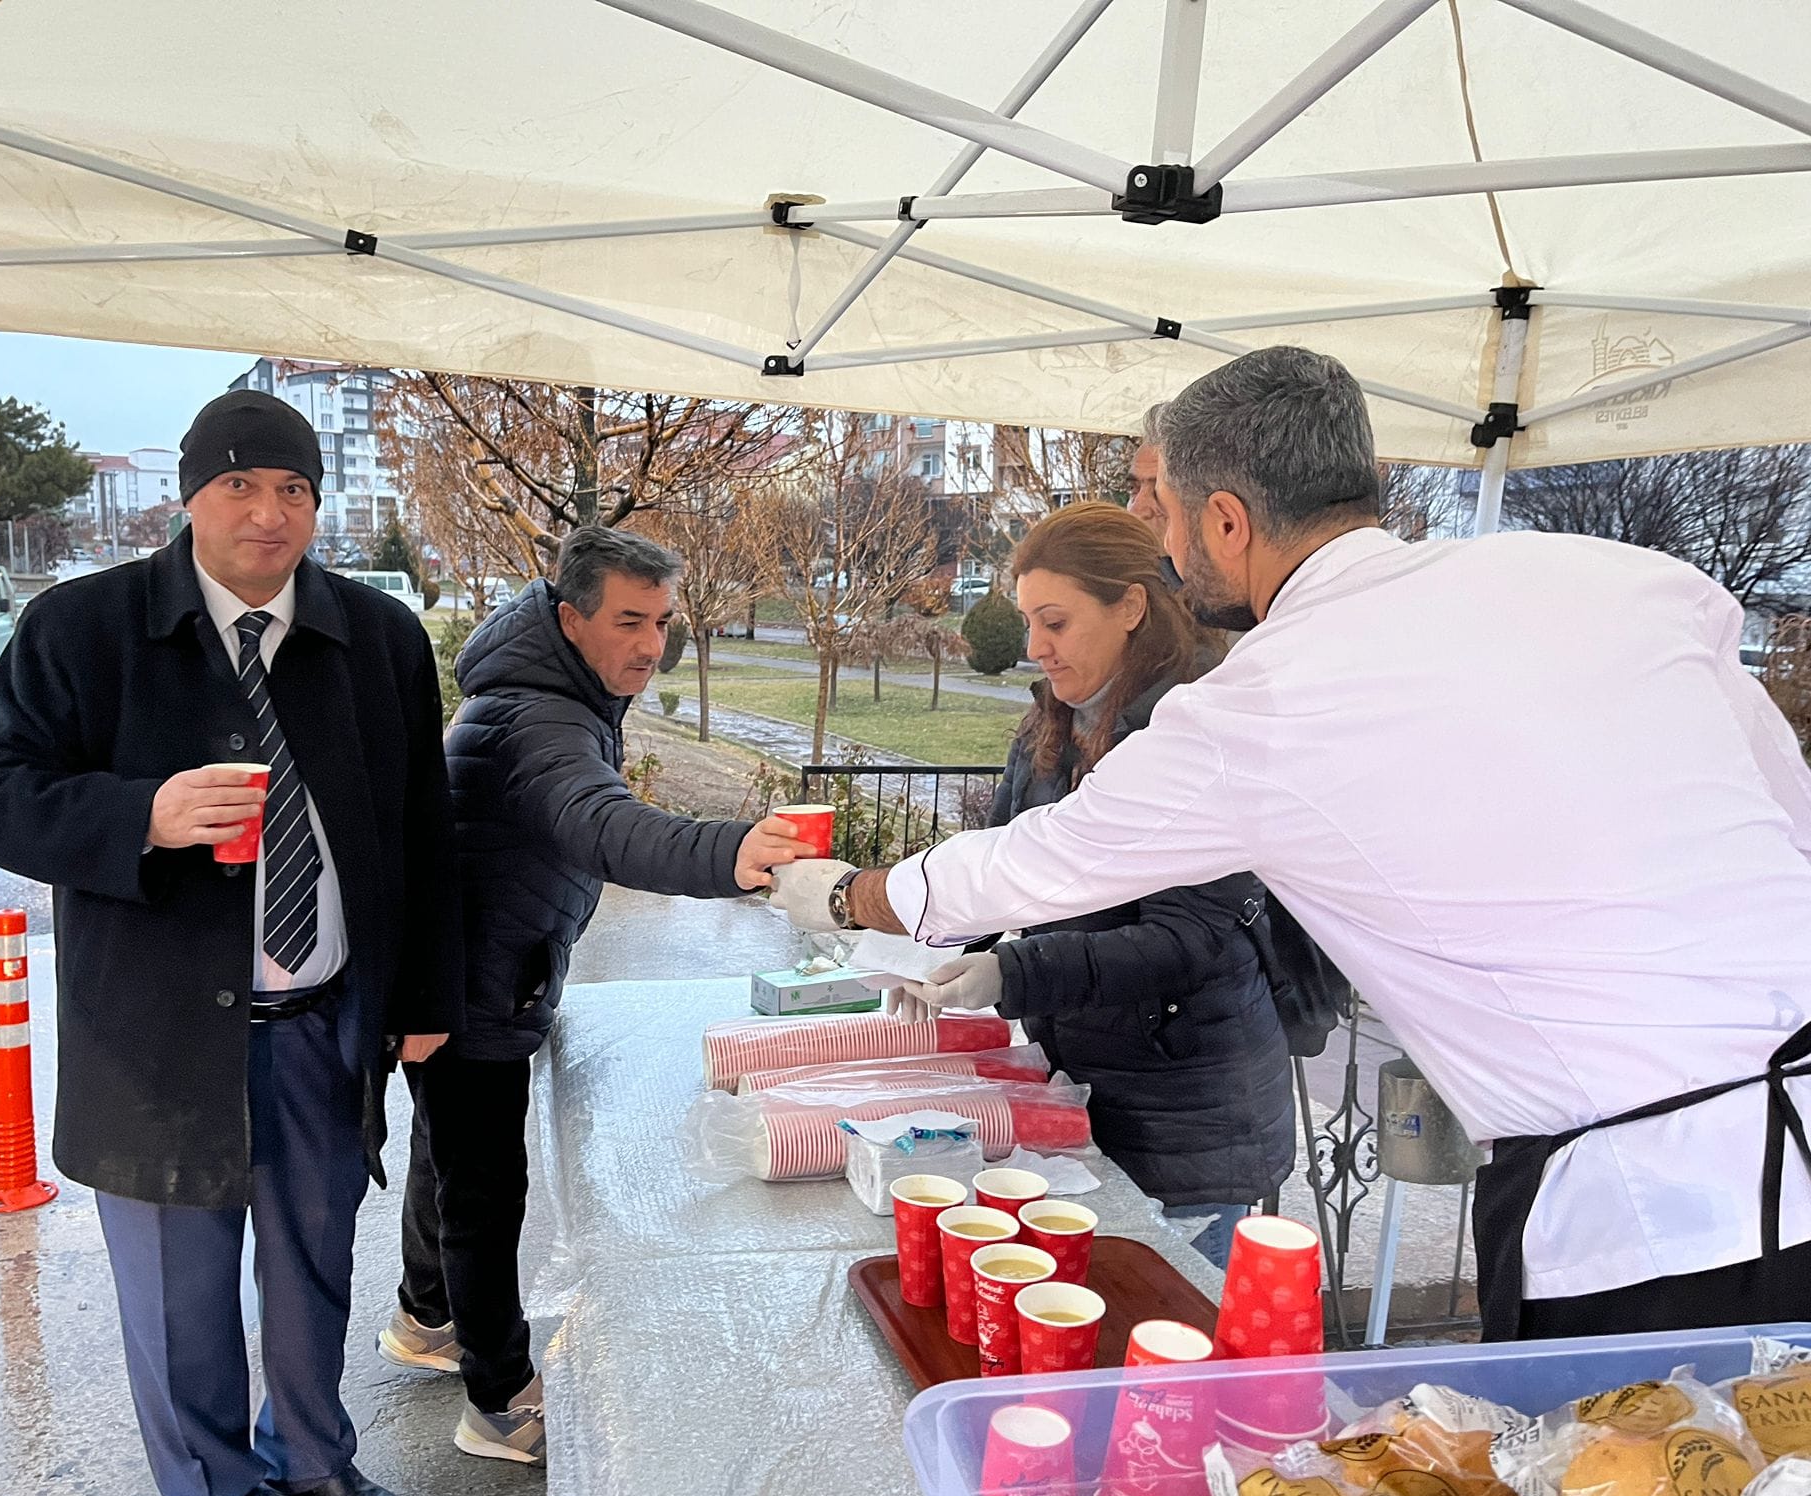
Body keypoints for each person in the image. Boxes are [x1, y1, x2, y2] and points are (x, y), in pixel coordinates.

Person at [772, 344, 1811, 1343]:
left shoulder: (1267, 699)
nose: (1163, 547)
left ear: (1226, 520)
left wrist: (843, 893)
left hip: (1658, 1225)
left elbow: (1030, 864)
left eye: (1164, 513)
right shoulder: (1616, 581)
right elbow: (1787, 821)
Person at [0, 390, 454, 1496]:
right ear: (190, 497)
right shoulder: (81, 630)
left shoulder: (375, 638)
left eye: (293, 488)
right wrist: (144, 813)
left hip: (322, 1025)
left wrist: (420, 995)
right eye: (239, 485)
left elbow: (423, 830)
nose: (268, 514)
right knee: (182, 1309)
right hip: (154, 1040)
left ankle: (312, 1465)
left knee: (310, 1276)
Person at [378, 524, 813, 1465]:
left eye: (661, 621)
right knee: (484, 1191)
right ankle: (496, 1399)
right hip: (477, 980)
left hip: (473, 970)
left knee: (446, 1155)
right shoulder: (543, 718)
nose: (651, 645)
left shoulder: (545, 693)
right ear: (571, 619)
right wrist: (734, 852)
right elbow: (603, 825)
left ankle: (426, 1317)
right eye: (628, 621)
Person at [892, 501, 1290, 1265]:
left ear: (1132, 607)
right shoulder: (1053, 721)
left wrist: (1010, 972)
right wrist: (933, 947)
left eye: (1056, 623)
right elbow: (1005, 865)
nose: (1034, 647)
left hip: (1187, 1119)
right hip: (1086, 1087)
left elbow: (1188, 939)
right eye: (1029, 623)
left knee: (1159, 1347)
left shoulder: (1193, 736)